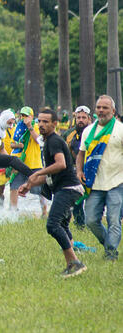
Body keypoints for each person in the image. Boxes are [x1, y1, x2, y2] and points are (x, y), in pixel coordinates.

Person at [18, 109, 87, 277]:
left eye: (45, 122)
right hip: (65, 188)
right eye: (39, 121)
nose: (41, 124)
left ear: (55, 124)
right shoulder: (49, 141)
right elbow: (52, 173)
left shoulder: (54, 141)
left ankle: (75, 263)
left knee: (52, 225)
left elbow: (61, 164)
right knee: (61, 225)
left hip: (68, 189)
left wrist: (37, 173)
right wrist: (30, 184)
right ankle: (72, 262)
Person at [76, 95, 123, 261]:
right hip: (94, 183)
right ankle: (108, 245)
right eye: (99, 108)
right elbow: (81, 154)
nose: (101, 111)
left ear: (113, 111)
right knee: (90, 220)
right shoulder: (88, 131)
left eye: (105, 108)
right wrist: (79, 171)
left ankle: (111, 253)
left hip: (117, 182)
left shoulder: (120, 129)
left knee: (114, 220)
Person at [9, 106, 47, 216]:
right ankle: (13, 212)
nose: (24, 118)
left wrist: (29, 126)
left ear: (32, 116)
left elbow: (39, 141)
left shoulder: (37, 126)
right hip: (20, 163)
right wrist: (18, 145)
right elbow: (12, 144)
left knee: (40, 190)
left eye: (26, 115)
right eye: (22, 115)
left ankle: (44, 212)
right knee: (14, 186)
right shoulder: (18, 127)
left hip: (35, 163)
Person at [65, 106, 92, 227]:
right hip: (75, 171)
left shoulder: (95, 132)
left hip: (93, 170)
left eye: (83, 118)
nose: (81, 120)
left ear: (89, 119)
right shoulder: (68, 134)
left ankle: (93, 223)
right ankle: (80, 225)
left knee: (94, 200)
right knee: (77, 200)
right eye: (78, 117)